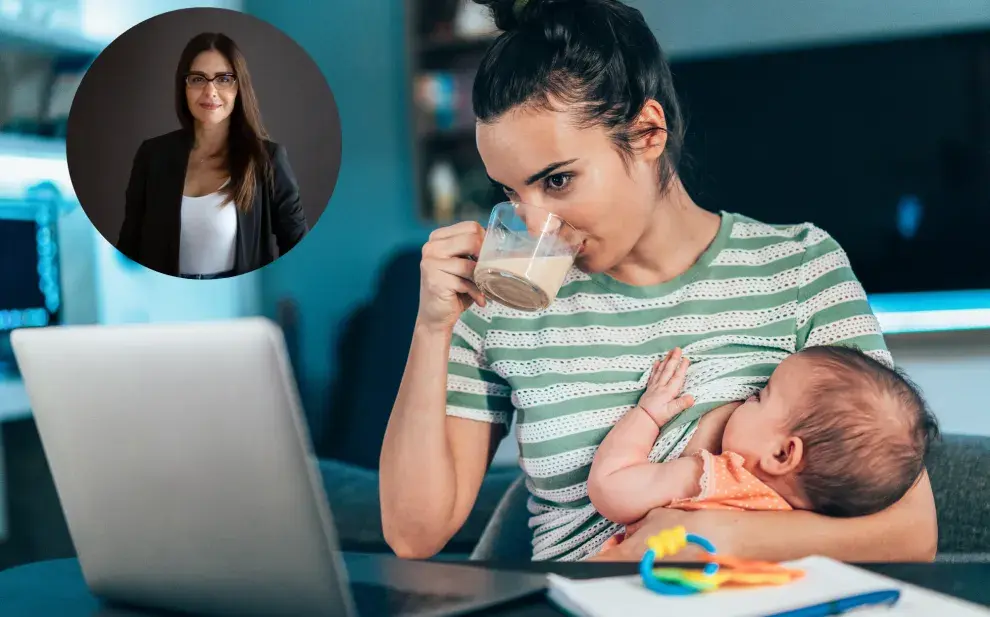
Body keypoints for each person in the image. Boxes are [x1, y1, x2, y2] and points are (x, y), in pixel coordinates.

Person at [379, 0, 938, 563]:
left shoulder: (800, 265)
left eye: (558, 180)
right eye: (511, 193)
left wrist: (713, 539)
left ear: (647, 133)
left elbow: (911, 532)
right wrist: (431, 329)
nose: (533, 224)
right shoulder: (498, 303)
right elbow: (413, 534)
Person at [588, 346, 939, 553]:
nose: (743, 398)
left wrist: (647, 414)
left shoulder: (716, 479)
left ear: (782, 455)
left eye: (759, 396)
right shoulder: (805, 530)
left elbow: (612, 487)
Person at [116, 32, 308, 279]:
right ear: (183, 87)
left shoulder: (267, 160)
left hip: (234, 307)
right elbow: (127, 250)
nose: (210, 91)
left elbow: (298, 249)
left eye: (224, 79)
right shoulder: (152, 156)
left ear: (239, 86)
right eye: (197, 79)